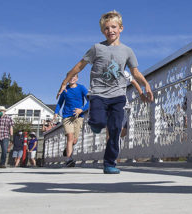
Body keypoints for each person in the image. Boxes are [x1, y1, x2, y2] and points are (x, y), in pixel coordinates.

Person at [58, 11, 153, 174]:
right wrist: (65, 82)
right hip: (98, 94)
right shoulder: (97, 48)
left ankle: (109, 163)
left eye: (114, 27)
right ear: (103, 31)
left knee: (115, 130)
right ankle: (96, 123)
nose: (111, 31)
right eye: (107, 28)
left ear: (121, 28)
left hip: (118, 96)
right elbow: (80, 66)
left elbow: (135, 73)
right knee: (98, 122)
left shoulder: (127, 51)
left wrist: (147, 86)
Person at [55, 74, 89, 167]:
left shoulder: (81, 88)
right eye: (70, 77)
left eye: (74, 77)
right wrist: (56, 112)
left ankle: (67, 149)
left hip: (78, 116)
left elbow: (90, 100)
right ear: (67, 79)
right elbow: (60, 103)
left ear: (77, 78)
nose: (72, 79)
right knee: (70, 137)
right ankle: (69, 159)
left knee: (74, 140)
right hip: (67, 116)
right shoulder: (65, 89)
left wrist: (82, 109)